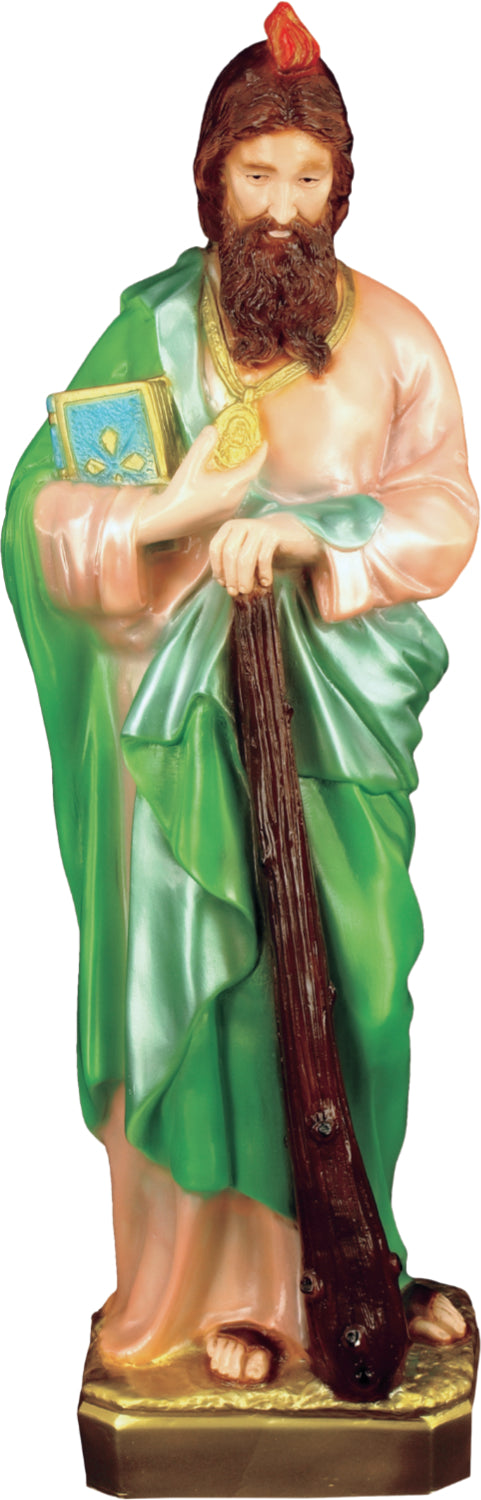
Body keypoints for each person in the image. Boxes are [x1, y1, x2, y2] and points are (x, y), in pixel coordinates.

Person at [2, 4, 477, 1387]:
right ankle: (230, 1294)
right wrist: (169, 517)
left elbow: (445, 511)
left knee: (361, 991)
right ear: (210, 177)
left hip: (336, 728)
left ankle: (356, 1258)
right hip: (177, 740)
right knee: (210, 995)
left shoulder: (396, 336)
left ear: (341, 190)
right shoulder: (151, 332)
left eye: (306, 179)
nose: (279, 207)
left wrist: (309, 536)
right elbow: (42, 508)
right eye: (255, 173)